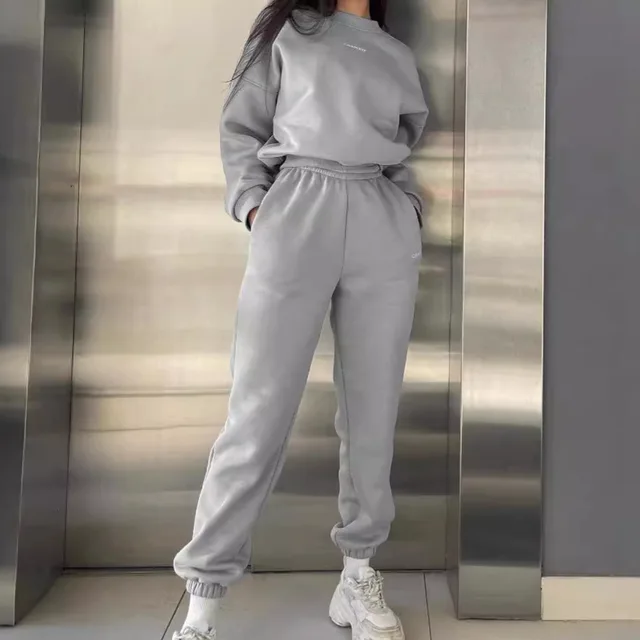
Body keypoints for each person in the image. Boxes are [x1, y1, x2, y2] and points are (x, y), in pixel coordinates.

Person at [173, 1, 428, 638]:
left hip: (379, 217)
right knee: (257, 409)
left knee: (372, 410)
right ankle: (203, 596)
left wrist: (407, 211)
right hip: (297, 206)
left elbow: (401, 150)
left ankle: (357, 574)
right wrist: (255, 207)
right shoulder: (287, 31)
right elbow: (240, 127)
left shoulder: (396, 53)